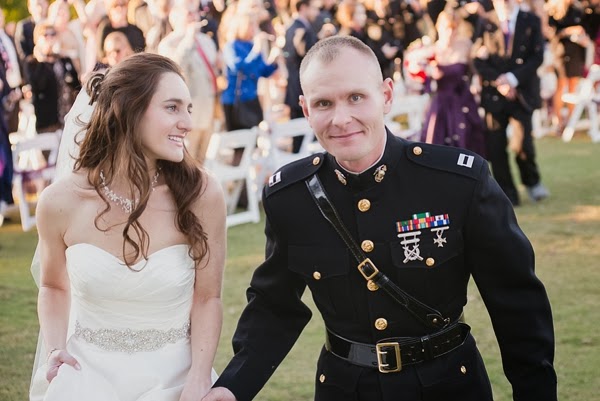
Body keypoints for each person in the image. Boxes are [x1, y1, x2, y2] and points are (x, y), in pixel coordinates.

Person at [203, 35, 556, 401]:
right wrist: (232, 387)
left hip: (448, 386)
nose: (341, 119)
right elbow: (275, 305)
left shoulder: (457, 182)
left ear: (386, 96)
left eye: (356, 97)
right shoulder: (290, 197)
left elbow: (516, 303)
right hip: (345, 390)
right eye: (324, 103)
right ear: (305, 109)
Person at [29, 52, 225, 401]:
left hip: (176, 381)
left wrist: (198, 378)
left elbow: (208, 297)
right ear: (128, 110)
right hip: (86, 380)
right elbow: (53, 286)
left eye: (188, 109)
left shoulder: (202, 194)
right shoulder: (59, 202)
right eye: (172, 107)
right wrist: (55, 349)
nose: (187, 123)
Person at [472, 0, 549, 206]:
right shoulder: (485, 22)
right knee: (496, 147)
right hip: (494, 94)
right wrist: (500, 81)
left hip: (521, 93)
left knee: (523, 144)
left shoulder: (531, 20)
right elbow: (477, 59)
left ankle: (532, 181)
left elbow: (537, 56)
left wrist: (513, 79)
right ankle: (507, 193)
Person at [420, 5, 486, 156]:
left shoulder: (465, 45)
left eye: (454, 29)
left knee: (467, 141)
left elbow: (475, 71)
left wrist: (477, 82)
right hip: (441, 103)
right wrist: (430, 72)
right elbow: (419, 72)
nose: (450, 33)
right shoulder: (432, 50)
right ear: (439, 28)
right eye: (446, 29)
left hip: (463, 99)